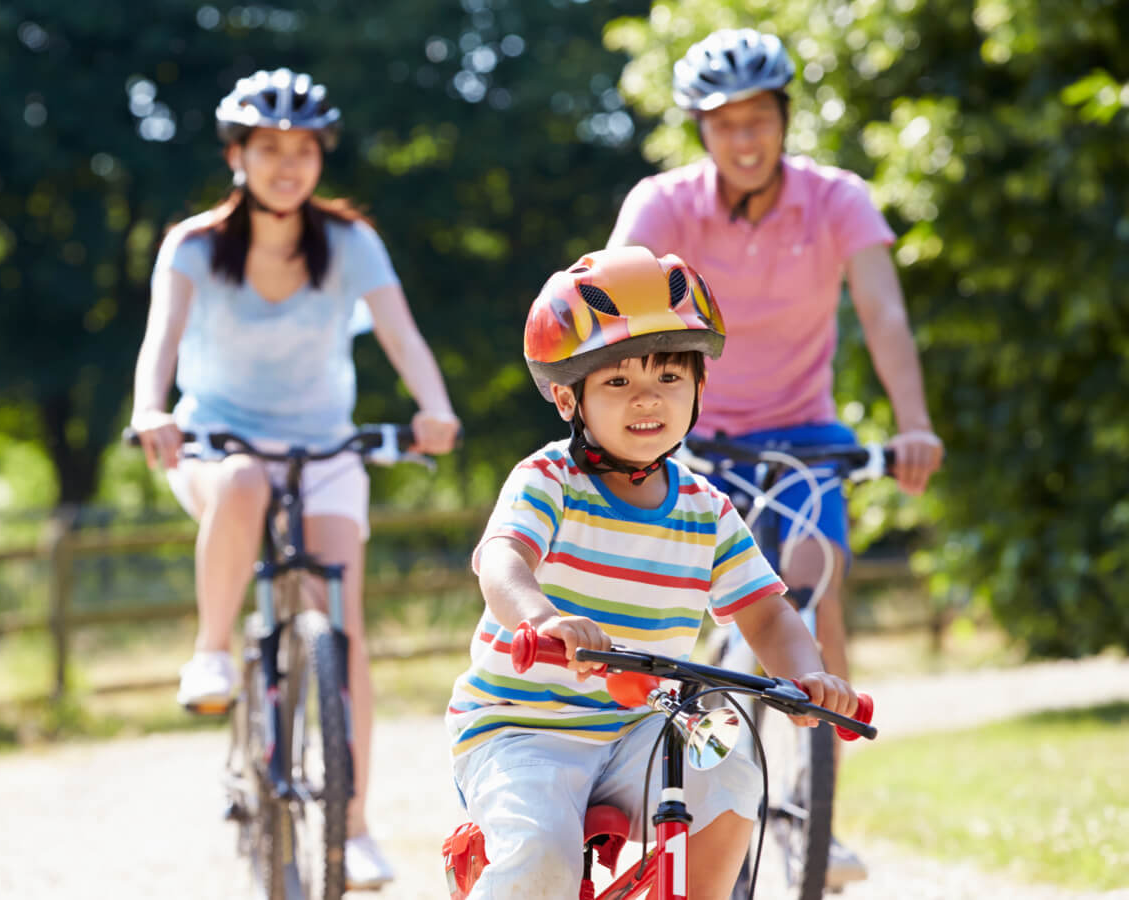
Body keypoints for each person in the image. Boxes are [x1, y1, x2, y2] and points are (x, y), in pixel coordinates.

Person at [607, 28, 945, 885]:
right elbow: (615, 305)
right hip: (694, 436)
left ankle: (811, 810)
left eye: (759, 119)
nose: (745, 139)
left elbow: (885, 318)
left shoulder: (837, 200)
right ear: (700, 131)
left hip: (804, 435)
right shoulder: (664, 203)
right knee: (684, 614)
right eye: (725, 124)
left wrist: (913, 423)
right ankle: (674, 781)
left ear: (785, 120)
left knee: (810, 575)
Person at [129, 67, 460, 889]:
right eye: (268, 148)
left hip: (324, 451)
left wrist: (435, 406)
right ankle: (211, 653)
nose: (287, 165)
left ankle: (354, 824)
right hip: (217, 444)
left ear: (321, 158)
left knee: (339, 623)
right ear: (237, 155)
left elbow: (403, 336)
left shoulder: (350, 242)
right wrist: (150, 409)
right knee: (240, 484)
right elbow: (160, 342)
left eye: (303, 150)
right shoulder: (196, 246)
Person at [445, 247, 858, 900]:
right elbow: (502, 561)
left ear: (698, 387)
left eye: (669, 376)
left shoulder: (706, 508)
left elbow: (767, 611)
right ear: (565, 397)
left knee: (734, 768)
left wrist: (807, 674)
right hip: (521, 727)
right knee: (542, 858)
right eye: (616, 382)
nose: (647, 398)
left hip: (649, 720)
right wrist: (543, 618)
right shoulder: (548, 479)